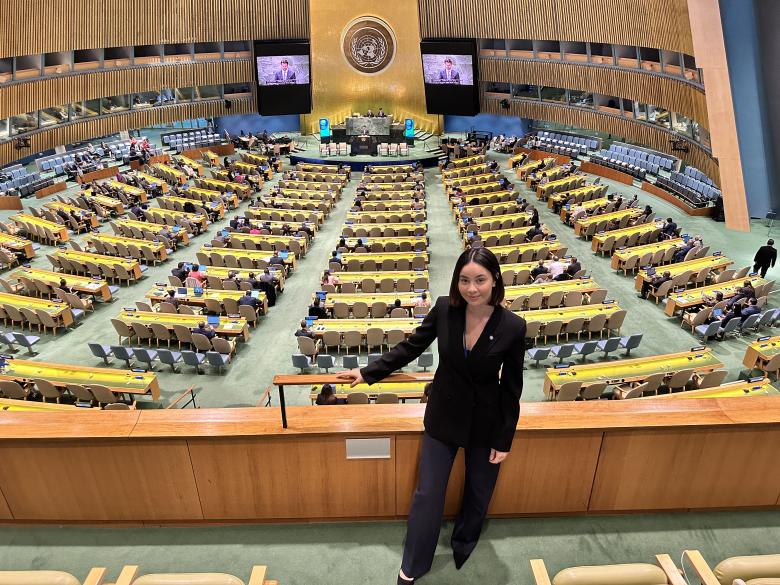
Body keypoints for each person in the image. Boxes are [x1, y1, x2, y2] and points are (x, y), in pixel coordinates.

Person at [337, 247, 526, 584]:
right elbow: (410, 348)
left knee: (479, 490)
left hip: (487, 420)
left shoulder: (513, 326)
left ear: (494, 280)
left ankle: (464, 542)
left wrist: (505, 437)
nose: (472, 289)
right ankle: (414, 564)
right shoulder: (444, 309)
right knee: (428, 494)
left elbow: (512, 388)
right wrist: (368, 373)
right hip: (443, 416)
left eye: (480, 280)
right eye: (464, 280)